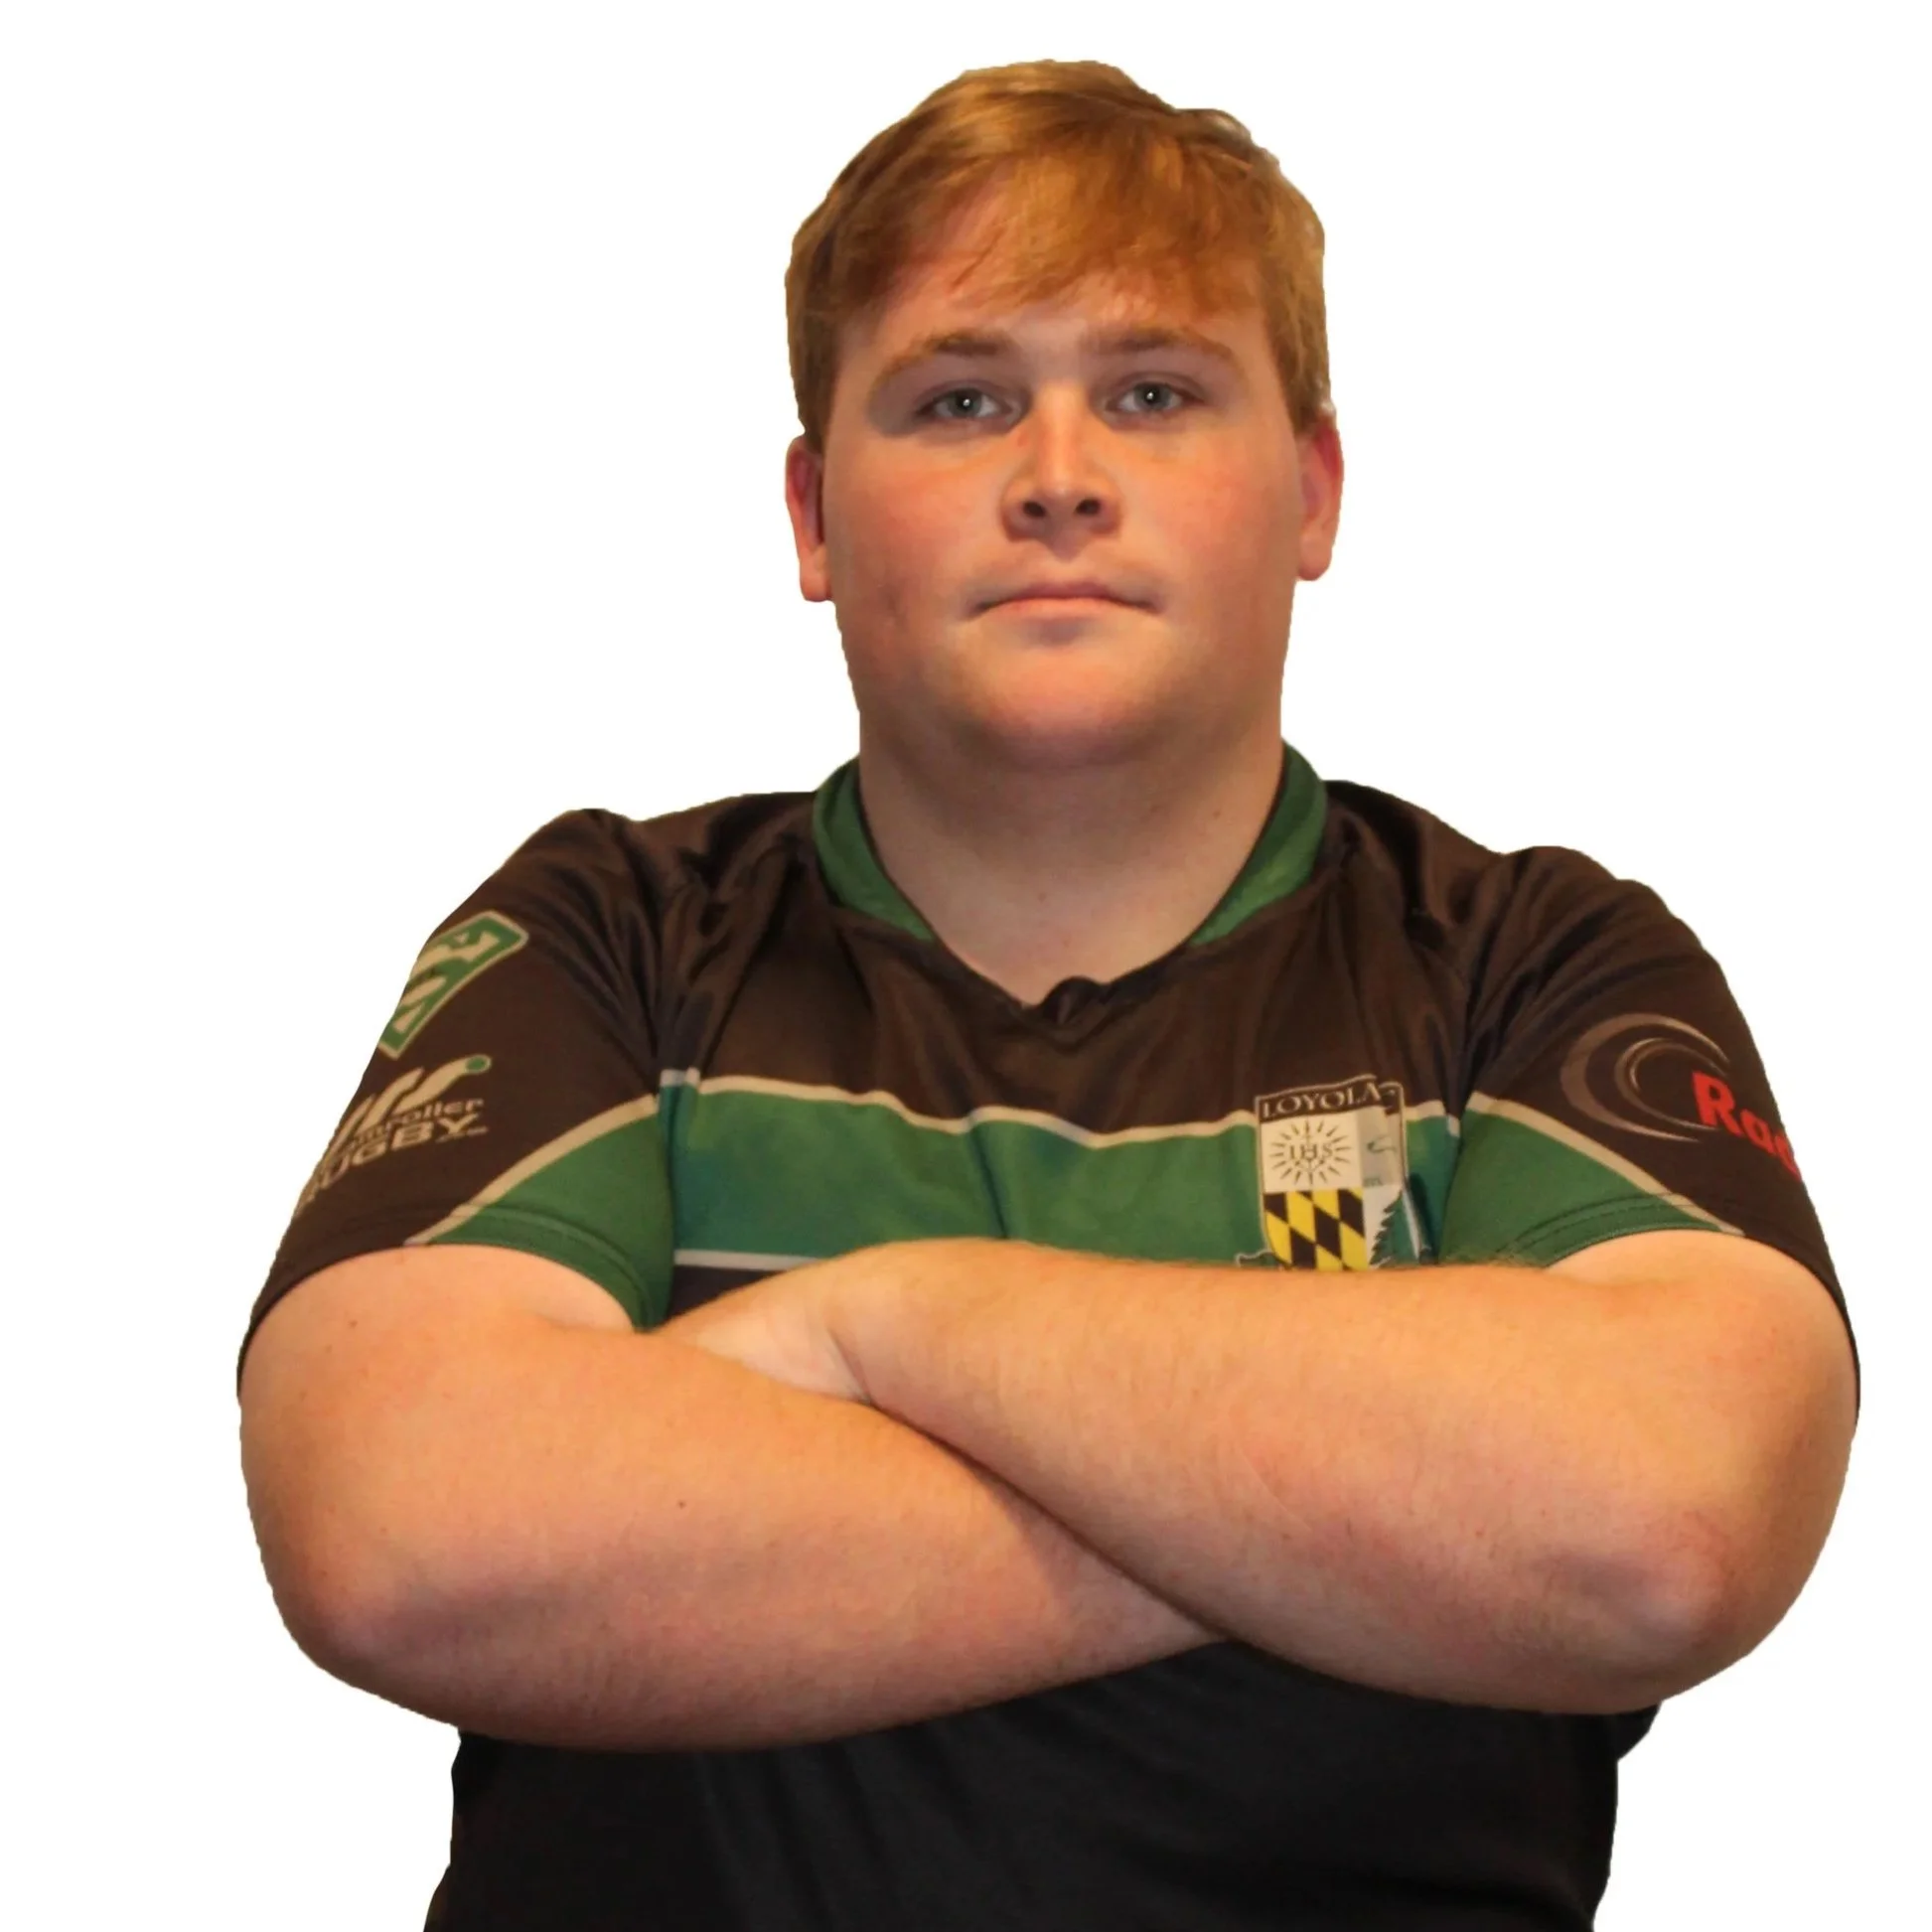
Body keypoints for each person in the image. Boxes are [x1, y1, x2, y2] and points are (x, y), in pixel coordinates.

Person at [236, 58, 1858, 1932]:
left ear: (1313, 491)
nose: (1062, 475)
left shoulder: (1540, 967)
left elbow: (1663, 1526)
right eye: (960, 399)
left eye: (1154, 392)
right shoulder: (604, 937)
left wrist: (880, 1328)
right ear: (816, 514)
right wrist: (1374, 1518)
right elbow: (408, 1541)